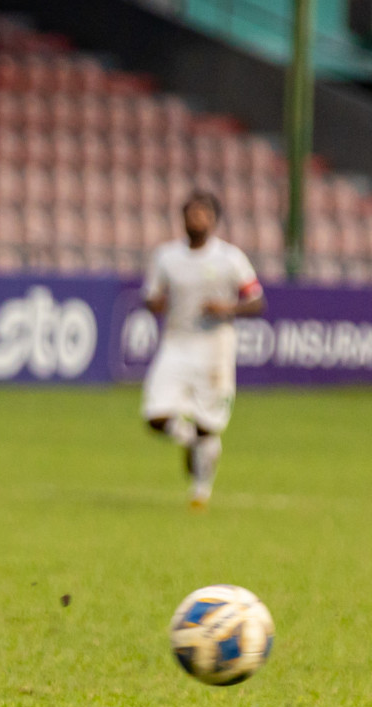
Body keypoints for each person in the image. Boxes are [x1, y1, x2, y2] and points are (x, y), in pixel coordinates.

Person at [142, 190, 265, 509]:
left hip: (215, 348)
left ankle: (200, 490)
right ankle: (191, 442)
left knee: (208, 424)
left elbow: (256, 301)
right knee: (155, 416)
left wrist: (228, 308)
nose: (196, 219)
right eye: (191, 213)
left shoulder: (230, 258)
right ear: (182, 218)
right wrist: (155, 303)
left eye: (203, 213)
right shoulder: (166, 256)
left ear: (214, 219)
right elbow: (151, 295)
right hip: (176, 343)